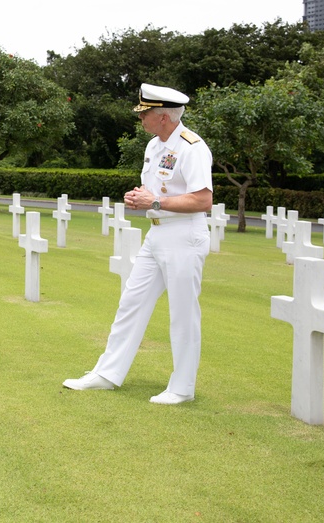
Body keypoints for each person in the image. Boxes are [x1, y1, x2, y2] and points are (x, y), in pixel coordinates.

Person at [62, 83, 213, 404]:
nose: (140, 118)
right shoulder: (154, 146)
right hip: (157, 234)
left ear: (163, 117)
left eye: (145, 113)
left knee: (183, 313)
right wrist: (140, 199)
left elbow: (203, 201)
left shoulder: (192, 147)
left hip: (184, 236)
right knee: (131, 303)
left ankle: (182, 387)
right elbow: (156, 193)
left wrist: (154, 202)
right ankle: (107, 373)